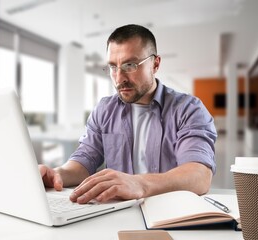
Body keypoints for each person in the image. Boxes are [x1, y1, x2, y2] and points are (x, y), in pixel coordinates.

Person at [39, 24, 217, 204]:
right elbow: (85, 160)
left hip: (170, 213)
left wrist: (140, 183)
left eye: (130, 65)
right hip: (117, 212)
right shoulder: (104, 110)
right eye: (112, 67)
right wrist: (58, 174)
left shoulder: (188, 109)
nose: (119, 78)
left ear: (155, 64)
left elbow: (199, 175)